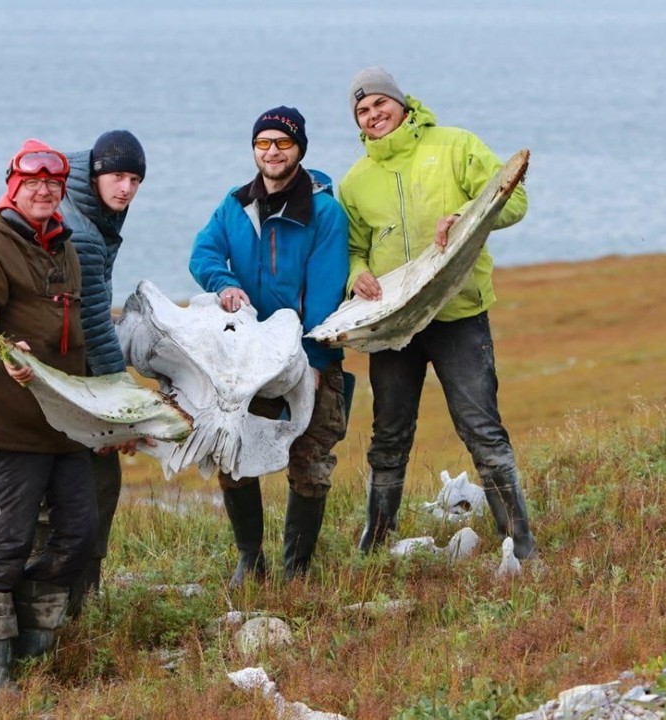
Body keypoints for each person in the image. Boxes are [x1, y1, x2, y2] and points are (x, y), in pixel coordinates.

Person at [339, 66, 536, 559]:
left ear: (401, 103)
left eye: (380, 103)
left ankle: (521, 542)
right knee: (388, 436)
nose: (373, 115)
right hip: (394, 326)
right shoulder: (356, 181)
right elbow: (353, 247)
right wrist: (355, 274)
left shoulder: (455, 146)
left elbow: (513, 202)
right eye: (362, 111)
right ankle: (377, 540)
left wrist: (466, 215)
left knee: (482, 430)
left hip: (459, 316)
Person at [0, 138, 99, 690]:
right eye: (32, 182)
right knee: (8, 540)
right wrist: (3, 353)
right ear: (13, 187)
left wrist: (107, 415)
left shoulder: (64, 248)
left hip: (67, 423)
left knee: (78, 535)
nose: (43, 191)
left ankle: (36, 654)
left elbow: (78, 337)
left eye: (53, 184)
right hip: (13, 423)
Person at [189, 106, 349, 585]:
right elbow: (204, 252)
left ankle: (296, 570)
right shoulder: (235, 205)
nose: (273, 152)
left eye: (283, 143)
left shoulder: (325, 212)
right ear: (254, 149)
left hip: (308, 357)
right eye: (264, 143)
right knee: (233, 451)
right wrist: (223, 283)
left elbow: (324, 292)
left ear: (299, 148)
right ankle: (249, 560)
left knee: (310, 459)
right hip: (246, 359)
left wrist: (315, 361)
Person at [57, 130, 146, 611]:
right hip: (75, 376)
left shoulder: (84, 205)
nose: (127, 188)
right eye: (117, 176)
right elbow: (93, 320)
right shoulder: (86, 235)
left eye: (135, 179)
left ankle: (68, 601)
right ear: (94, 174)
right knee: (95, 488)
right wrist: (125, 408)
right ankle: (77, 604)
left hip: (66, 369)